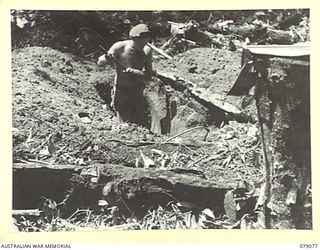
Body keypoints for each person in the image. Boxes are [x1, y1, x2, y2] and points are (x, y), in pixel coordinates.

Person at [97, 24, 153, 126]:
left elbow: (149, 75)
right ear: (133, 39)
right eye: (140, 44)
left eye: (145, 42)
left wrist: (136, 72)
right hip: (121, 91)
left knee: (139, 122)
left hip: (138, 92)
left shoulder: (147, 51)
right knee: (123, 123)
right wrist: (107, 57)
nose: (143, 45)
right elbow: (100, 63)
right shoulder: (120, 47)